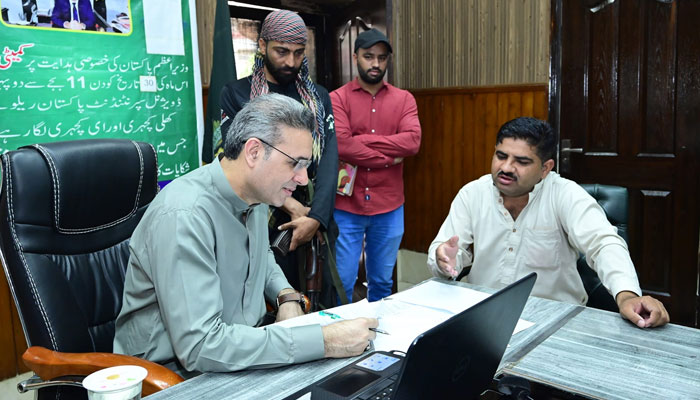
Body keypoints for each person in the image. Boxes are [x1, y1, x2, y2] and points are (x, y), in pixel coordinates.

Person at [114, 94, 377, 377]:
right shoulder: (184, 214)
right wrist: (325, 341)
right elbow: (201, 346)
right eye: (295, 163)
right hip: (171, 375)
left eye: (307, 166)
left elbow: (259, 252)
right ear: (253, 152)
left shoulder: (257, 194)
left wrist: (285, 295)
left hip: (238, 351)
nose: (303, 179)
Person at [428, 117, 670, 328]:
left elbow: (604, 244)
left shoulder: (565, 194)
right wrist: (444, 259)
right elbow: (448, 252)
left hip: (554, 321)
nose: (506, 167)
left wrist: (627, 296)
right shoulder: (473, 193)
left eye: (521, 162)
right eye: (501, 156)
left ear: (545, 168)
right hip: (485, 317)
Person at [217, 10, 340, 306]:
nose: (290, 62)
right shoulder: (237, 95)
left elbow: (330, 159)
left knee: (319, 303)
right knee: (270, 303)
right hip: (262, 219)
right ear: (262, 46)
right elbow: (229, 159)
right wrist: (293, 207)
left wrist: (315, 217)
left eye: (298, 53)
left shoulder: (318, 96)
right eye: (281, 51)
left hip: (315, 220)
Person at [330, 29, 421, 302]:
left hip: (389, 205)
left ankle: (379, 335)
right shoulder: (338, 98)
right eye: (369, 57)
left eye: (382, 58)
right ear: (356, 56)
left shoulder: (404, 99)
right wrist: (389, 158)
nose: (376, 64)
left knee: (382, 281)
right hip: (346, 205)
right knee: (342, 282)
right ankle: (340, 338)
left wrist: (363, 143)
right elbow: (342, 145)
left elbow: (413, 142)